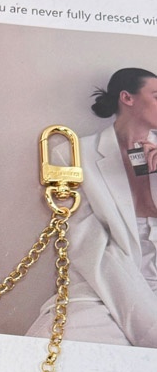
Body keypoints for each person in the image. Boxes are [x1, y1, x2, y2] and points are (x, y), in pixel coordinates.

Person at [27, 67, 157, 347]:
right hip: (105, 286)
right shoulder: (73, 154)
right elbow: (89, 246)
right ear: (127, 98)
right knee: (61, 342)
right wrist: (148, 326)